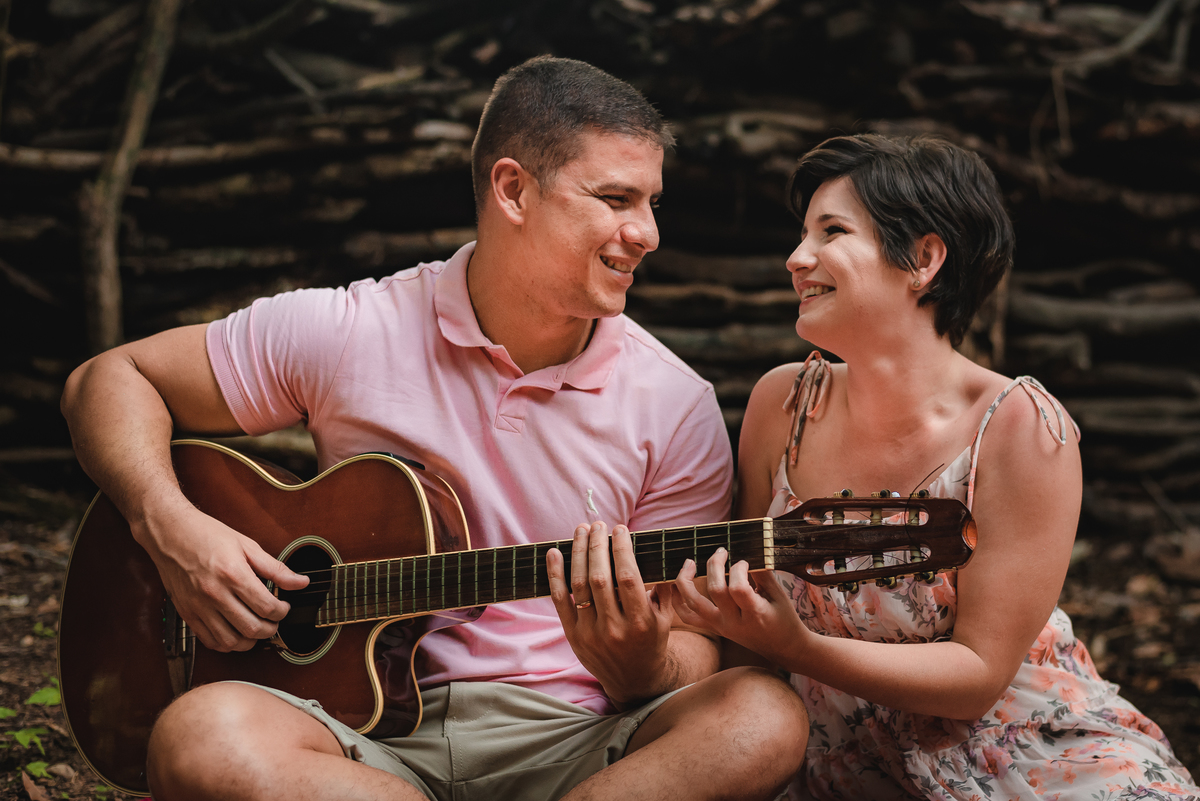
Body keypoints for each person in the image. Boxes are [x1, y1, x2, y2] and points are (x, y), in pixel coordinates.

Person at [60, 56, 808, 801]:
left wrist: (643, 664)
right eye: (615, 198)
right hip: (360, 741)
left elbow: (693, 647)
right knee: (198, 737)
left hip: (578, 745)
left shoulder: (675, 402)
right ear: (513, 190)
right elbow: (107, 380)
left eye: (651, 202)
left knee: (761, 716)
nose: (646, 233)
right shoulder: (352, 330)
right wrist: (172, 528)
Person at [672, 133, 1199, 800]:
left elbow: (978, 674)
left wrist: (799, 648)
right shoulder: (784, 406)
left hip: (1019, 757)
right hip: (838, 767)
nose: (797, 258)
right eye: (802, 233)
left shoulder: (1020, 428)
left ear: (923, 259)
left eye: (832, 231)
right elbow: (746, 629)